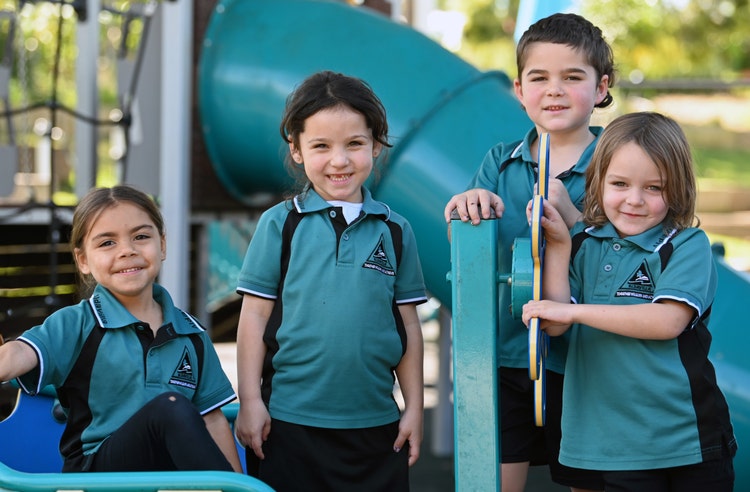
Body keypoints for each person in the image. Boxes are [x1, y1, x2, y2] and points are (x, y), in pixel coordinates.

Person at [443, 12, 614, 492]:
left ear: (602, 87)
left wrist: (575, 220)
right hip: (502, 357)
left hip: (586, 360)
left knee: (589, 479)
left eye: (572, 77)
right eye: (540, 78)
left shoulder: (617, 164)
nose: (554, 90)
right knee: (493, 479)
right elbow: (467, 252)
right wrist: (464, 209)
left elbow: (623, 258)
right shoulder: (499, 162)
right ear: (519, 90)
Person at [522, 112, 737, 492]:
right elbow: (555, 324)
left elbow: (666, 321)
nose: (634, 200)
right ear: (598, 181)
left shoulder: (685, 245)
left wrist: (572, 311)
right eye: (619, 184)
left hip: (686, 439)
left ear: (679, 189)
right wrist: (559, 247)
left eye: (654, 188)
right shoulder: (585, 246)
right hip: (615, 445)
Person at [234, 70, 427, 491]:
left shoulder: (396, 231)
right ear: (297, 150)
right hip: (289, 424)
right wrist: (249, 401)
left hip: (376, 427)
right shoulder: (279, 225)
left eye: (354, 144)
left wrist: (415, 406)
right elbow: (253, 319)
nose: (339, 160)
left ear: (376, 145)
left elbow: (408, 325)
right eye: (321, 146)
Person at [0, 185, 242, 473]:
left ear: (162, 245)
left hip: (165, 480)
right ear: (83, 261)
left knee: (175, 411)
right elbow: (18, 355)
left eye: (141, 237)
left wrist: (237, 484)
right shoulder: (76, 324)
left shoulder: (192, 334)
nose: (128, 251)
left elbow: (212, 420)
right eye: (107, 243)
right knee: (171, 408)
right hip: (97, 477)